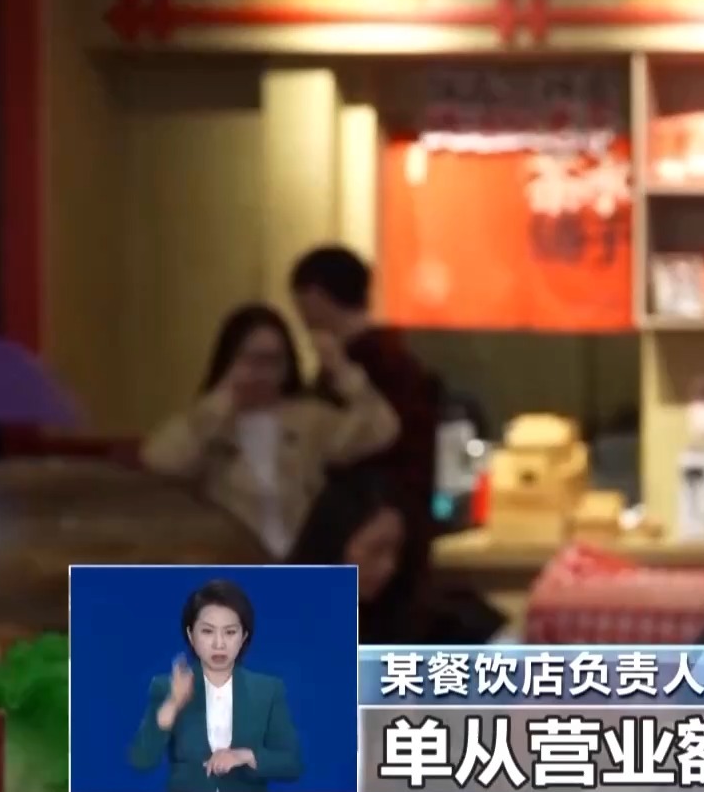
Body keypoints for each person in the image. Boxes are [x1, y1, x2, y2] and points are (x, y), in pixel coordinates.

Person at [140, 303, 400, 557]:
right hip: (234, 561)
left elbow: (383, 428)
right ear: (230, 360)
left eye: (274, 361)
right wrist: (223, 398)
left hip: (302, 561)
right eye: (252, 359)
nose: (262, 372)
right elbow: (158, 461)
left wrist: (342, 370)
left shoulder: (309, 417)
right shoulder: (211, 418)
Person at [288, 247, 445, 595]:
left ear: (315, 296)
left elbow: (378, 439)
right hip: (394, 524)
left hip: (367, 529)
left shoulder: (362, 364)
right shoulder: (398, 359)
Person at [287, 471, 508, 644]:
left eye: (396, 550)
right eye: (376, 550)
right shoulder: (288, 619)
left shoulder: (412, 614)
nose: (389, 567)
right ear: (333, 542)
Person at [128, 580, 302, 790]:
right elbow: (142, 760)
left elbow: (292, 764)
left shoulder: (267, 690)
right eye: (207, 631)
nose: (219, 644)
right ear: (191, 635)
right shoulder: (166, 687)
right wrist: (173, 704)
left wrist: (246, 756)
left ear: (243, 636)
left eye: (230, 632)